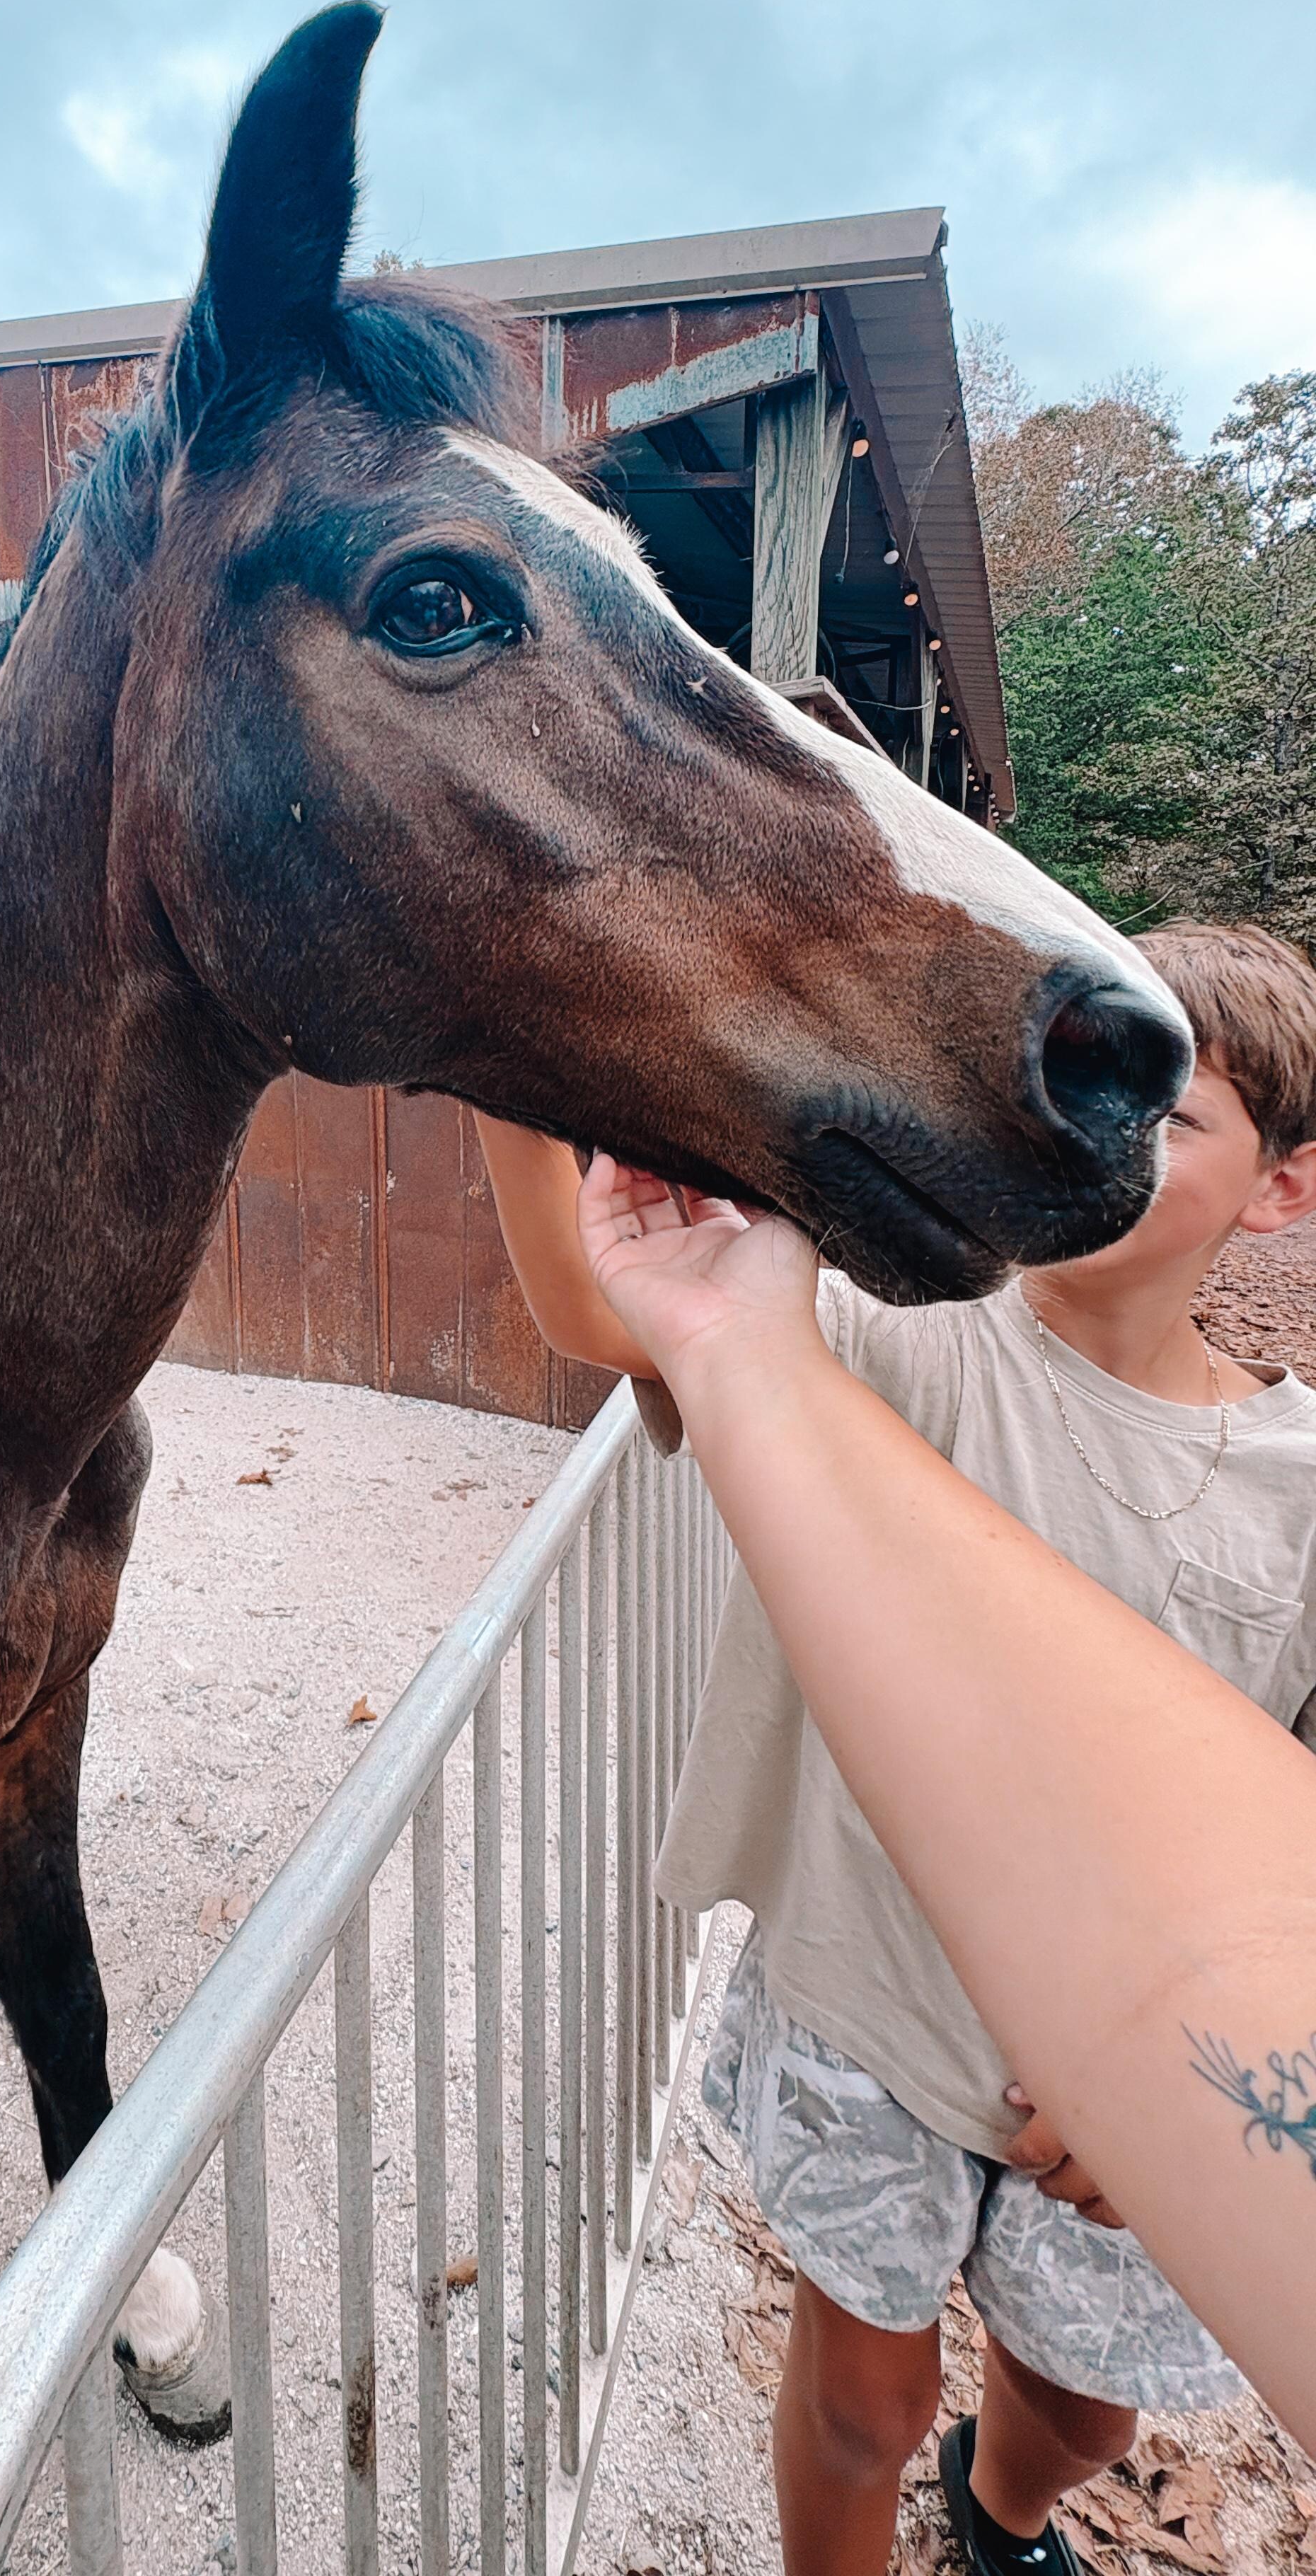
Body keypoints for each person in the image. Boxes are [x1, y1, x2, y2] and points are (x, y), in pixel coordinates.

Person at [477, 922, 1316, 2576]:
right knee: (859, 2399)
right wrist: (502, 1065)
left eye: (1162, 1107)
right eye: (1077, 1078)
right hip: (870, 1996)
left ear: (1283, 1192)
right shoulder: (909, 1334)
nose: (1096, 1135)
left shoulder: (1295, 1481)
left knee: (1083, 2418)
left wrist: (1182, 2084)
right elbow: (607, 1312)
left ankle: (999, 2520)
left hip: (1125, 2083)